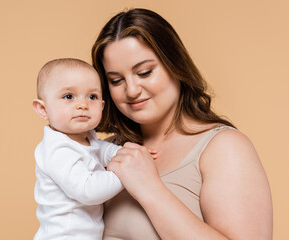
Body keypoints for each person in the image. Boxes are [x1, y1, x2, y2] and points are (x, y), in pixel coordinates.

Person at [91, 8, 273, 240]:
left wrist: (149, 188)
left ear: (174, 64)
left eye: (145, 72)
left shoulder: (224, 148)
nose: (132, 90)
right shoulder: (105, 151)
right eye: (116, 80)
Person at [31, 58, 128, 240]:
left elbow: (103, 149)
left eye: (92, 97)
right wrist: (127, 172)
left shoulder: (87, 137)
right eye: (68, 96)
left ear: (102, 106)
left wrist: (125, 152)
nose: (83, 105)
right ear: (43, 109)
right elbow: (88, 190)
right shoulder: (56, 150)